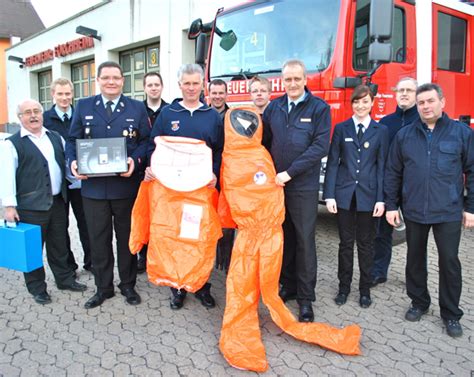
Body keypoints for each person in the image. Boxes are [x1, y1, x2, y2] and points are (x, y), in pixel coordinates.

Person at [385, 83, 474, 338]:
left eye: (430, 101)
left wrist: (471, 208)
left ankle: (451, 314)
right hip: (414, 210)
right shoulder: (405, 135)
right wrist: (392, 205)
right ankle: (419, 302)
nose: (425, 106)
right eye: (421, 102)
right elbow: (393, 172)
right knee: (414, 259)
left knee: (449, 262)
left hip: (447, 210)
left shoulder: (461, 133)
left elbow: (473, 170)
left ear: (442, 102)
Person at [66, 61, 150, 309]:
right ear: (98, 80)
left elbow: (146, 141)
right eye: (106, 78)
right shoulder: (83, 106)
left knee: (126, 239)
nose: (111, 82)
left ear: (123, 80)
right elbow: (73, 140)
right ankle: (103, 288)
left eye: (116, 77)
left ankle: (127, 285)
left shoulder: (136, 107)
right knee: (98, 240)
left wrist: (135, 160)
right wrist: (72, 162)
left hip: (125, 187)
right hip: (94, 189)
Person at [146, 63, 223, 310]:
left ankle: (200, 285)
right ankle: (177, 287)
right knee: (175, 238)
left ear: (203, 85)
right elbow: (153, 145)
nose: (191, 88)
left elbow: (220, 151)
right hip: (170, 193)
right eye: (186, 83)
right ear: (179, 85)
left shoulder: (212, 117)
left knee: (197, 238)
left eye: (195, 83)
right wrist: (150, 167)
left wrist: (215, 175)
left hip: (198, 193)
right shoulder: (168, 114)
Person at [262, 59, 331, 322]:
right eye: (287, 79)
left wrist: (290, 172)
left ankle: (305, 299)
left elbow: (320, 146)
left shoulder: (319, 108)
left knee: (304, 241)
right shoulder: (275, 107)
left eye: (296, 79)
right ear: (282, 80)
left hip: (302, 186)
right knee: (284, 238)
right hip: (276, 187)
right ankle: (287, 285)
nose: (292, 84)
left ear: (305, 80)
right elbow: (264, 141)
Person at [1, 99, 87, 305]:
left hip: (57, 202)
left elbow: (66, 166)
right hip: (30, 207)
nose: (33, 116)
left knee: (59, 245)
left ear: (42, 113)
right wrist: (9, 207)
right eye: (27, 112)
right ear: (19, 118)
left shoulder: (55, 137)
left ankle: (65, 280)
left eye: (36, 111)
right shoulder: (12, 144)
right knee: (32, 251)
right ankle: (37, 288)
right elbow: (6, 177)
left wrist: (81, 178)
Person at [323, 85, 389, 308]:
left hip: (369, 197)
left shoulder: (381, 131)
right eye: (356, 102)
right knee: (345, 244)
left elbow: (382, 167)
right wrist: (329, 195)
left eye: (365, 102)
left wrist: (381, 199)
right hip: (344, 196)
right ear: (351, 104)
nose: (360, 106)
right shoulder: (341, 129)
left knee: (367, 244)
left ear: (372, 103)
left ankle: (364, 290)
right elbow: (333, 163)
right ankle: (344, 287)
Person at [371, 77, 419, 287]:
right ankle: (378, 271)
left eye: (409, 90)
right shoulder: (386, 123)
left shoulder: (422, 122)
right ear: (395, 93)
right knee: (382, 233)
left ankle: (415, 279)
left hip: (414, 186)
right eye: (401, 90)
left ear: (417, 94)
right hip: (389, 184)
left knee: (417, 237)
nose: (404, 94)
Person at [43, 78, 92, 272]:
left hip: (81, 180)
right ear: (53, 95)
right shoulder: (45, 119)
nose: (64, 98)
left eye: (67, 93)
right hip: (58, 182)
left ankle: (92, 263)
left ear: (72, 94)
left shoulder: (81, 115)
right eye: (60, 94)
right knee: (59, 228)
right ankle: (69, 266)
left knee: (86, 224)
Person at [137, 72, 169, 273]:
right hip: (143, 171)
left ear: (162, 86)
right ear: (145, 87)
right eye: (150, 84)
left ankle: (162, 255)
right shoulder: (136, 110)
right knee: (145, 215)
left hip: (165, 174)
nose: (154, 88)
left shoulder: (170, 110)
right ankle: (143, 255)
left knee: (163, 216)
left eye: (157, 84)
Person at [208, 78, 234, 273]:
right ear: (209, 94)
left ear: (226, 94)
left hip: (229, 176)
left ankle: (225, 262)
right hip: (206, 177)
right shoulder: (203, 115)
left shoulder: (234, 117)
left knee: (227, 220)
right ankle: (207, 261)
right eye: (214, 93)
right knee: (207, 219)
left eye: (221, 93)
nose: (217, 96)